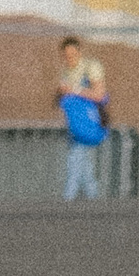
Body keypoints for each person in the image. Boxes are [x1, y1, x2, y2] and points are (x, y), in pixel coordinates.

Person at [58, 38, 110, 202]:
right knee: (85, 165)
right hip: (76, 125)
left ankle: (68, 199)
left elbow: (99, 94)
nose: (70, 59)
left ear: (79, 52)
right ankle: (92, 199)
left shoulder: (90, 67)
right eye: (67, 56)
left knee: (75, 161)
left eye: (73, 55)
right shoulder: (66, 72)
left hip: (89, 122)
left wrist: (73, 89)